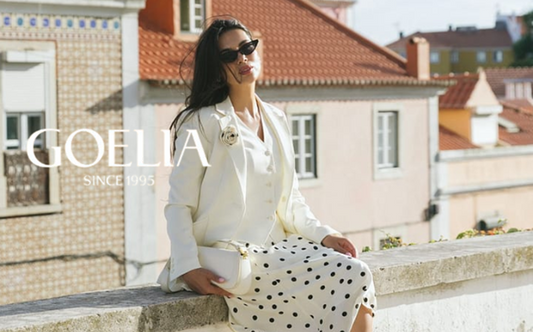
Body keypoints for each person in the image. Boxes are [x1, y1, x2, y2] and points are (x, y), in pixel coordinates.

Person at [158, 18, 376, 332]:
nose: (242, 58)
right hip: (232, 256)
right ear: (217, 66)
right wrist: (188, 267)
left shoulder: (276, 118)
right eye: (229, 55)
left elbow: (292, 200)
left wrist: (324, 234)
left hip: (280, 248)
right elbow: (179, 205)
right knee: (351, 276)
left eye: (247, 48)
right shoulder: (200, 122)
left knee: (357, 272)